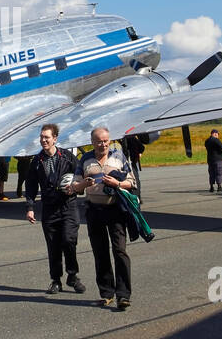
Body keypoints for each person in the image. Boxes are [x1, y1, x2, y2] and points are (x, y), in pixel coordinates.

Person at [24, 124, 85, 295]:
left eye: (47, 137)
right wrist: (30, 207)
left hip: (68, 206)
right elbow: (30, 186)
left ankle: (72, 275)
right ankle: (56, 280)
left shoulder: (67, 157)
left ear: (55, 138)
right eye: (41, 137)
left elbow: (81, 176)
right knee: (53, 245)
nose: (43, 140)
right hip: (49, 208)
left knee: (69, 240)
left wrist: (76, 187)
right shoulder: (37, 162)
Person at [77, 127, 135, 309]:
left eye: (106, 141)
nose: (103, 144)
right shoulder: (85, 159)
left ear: (109, 140)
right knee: (100, 252)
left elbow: (132, 182)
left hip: (115, 209)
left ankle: (124, 295)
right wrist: (84, 184)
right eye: (99, 141)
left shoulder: (119, 157)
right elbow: (75, 186)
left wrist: (117, 183)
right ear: (92, 142)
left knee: (120, 251)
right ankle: (106, 293)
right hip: (94, 210)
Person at [120, 134, 146, 204]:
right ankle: (136, 198)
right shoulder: (129, 137)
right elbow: (142, 148)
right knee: (134, 180)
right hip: (129, 162)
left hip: (129, 163)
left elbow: (141, 148)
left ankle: (135, 198)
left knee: (133, 180)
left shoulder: (128, 137)